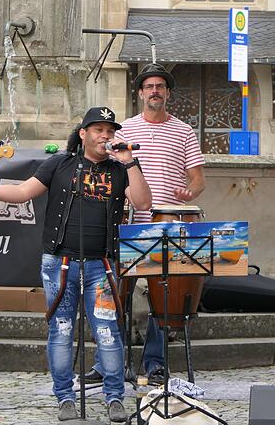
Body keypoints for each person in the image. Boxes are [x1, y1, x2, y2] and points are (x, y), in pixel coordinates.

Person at [0, 106, 151, 422]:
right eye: (99, 129)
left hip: (102, 264)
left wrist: (131, 162)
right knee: (61, 329)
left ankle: (115, 397)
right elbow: (22, 191)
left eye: (110, 131)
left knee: (108, 332)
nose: (106, 135)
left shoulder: (120, 169)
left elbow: (143, 202)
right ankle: (65, 397)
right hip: (60, 262)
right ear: (83, 134)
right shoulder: (60, 164)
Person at [85, 63, 206, 386]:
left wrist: (189, 191)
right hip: (127, 222)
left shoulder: (184, 131)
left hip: (167, 223)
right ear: (140, 93)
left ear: (167, 93)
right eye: (149, 86)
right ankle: (108, 362)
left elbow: (198, 179)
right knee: (113, 295)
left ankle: (154, 363)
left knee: (161, 299)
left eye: (160, 87)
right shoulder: (124, 131)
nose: (155, 91)